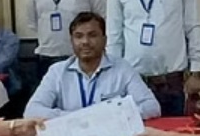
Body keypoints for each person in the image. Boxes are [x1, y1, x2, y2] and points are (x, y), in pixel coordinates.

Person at [25, 12, 160, 120]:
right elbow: (32, 111)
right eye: (78, 36)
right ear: (71, 41)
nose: (85, 42)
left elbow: (151, 107)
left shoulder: (122, 69)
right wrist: (76, 117)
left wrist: (113, 116)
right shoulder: (57, 72)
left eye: (92, 35)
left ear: (104, 40)